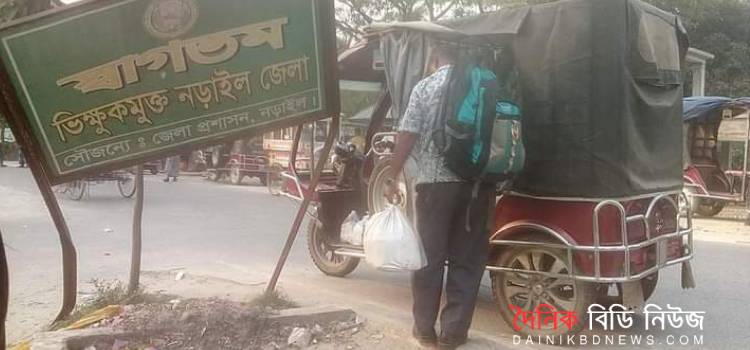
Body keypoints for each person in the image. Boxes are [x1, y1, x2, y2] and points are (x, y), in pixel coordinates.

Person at [385, 44, 494, 349]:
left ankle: (424, 331)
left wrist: (392, 174)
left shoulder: (426, 85)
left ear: (434, 57)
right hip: (478, 186)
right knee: (467, 261)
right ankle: (454, 335)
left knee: (429, 260)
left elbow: (408, 132)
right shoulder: (486, 81)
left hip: (434, 185)